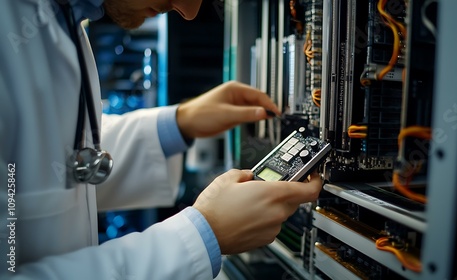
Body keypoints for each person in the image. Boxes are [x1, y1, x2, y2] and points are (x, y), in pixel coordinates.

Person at [0, 0, 323, 279]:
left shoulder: (58, 19)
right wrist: (200, 237)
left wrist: (179, 123)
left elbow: (54, 158)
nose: (188, 11)